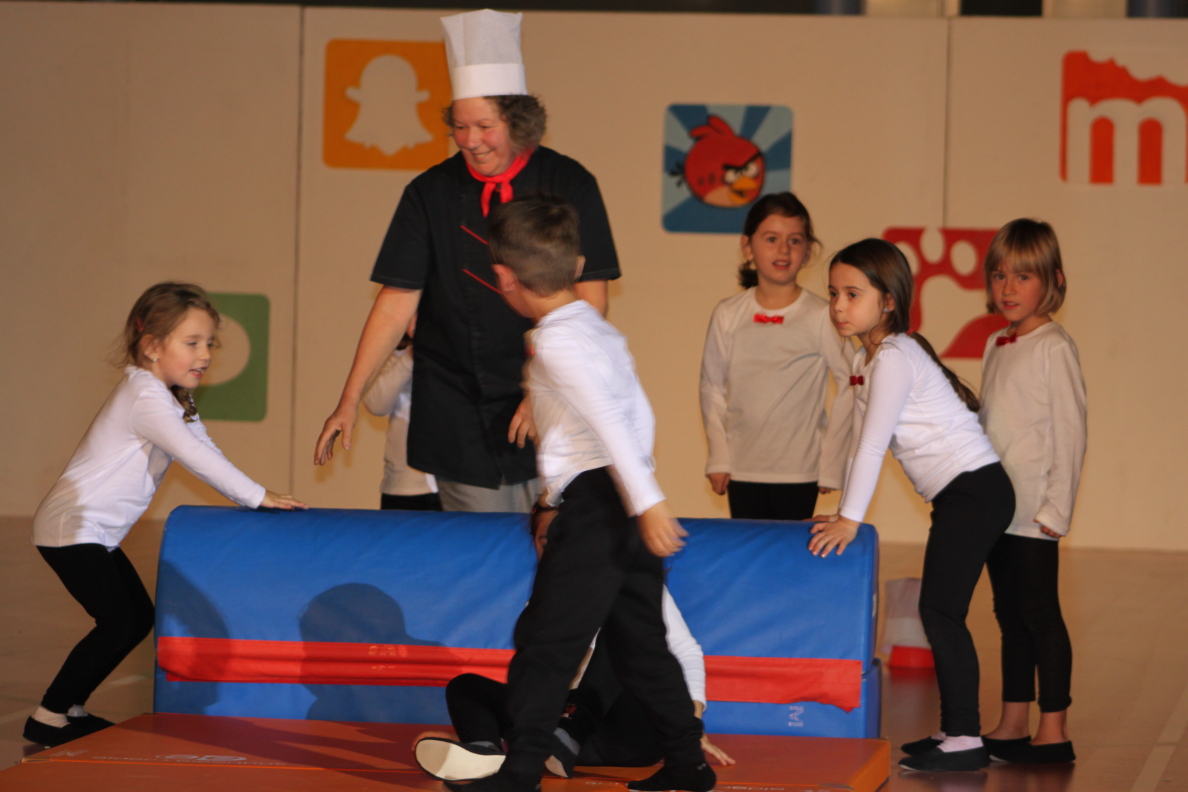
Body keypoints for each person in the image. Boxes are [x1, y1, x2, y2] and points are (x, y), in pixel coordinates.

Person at [437, 197, 713, 792]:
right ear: (579, 265)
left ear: (504, 278)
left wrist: (647, 500)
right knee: (641, 645)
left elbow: (610, 418)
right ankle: (688, 765)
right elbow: (637, 413)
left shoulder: (558, 342)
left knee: (546, 640)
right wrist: (642, 492)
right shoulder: (596, 327)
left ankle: (521, 771)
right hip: (622, 502)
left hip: (598, 503)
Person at [315, 9, 619, 514]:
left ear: (518, 122)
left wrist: (545, 389)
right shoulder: (429, 192)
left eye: (484, 126)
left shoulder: (570, 183)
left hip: (555, 401)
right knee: (488, 551)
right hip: (460, 413)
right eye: (460, 127)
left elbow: (591, 298)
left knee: (560, 545)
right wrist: (348, 401)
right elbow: (395, 302)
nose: (471, 141)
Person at [25, 282, 305, 749]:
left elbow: (203, 445)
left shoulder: (166, 395)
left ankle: (69, 707)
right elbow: (197, 459)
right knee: (120, 622)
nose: (205, 354)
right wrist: (257, 496)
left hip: (91, 532)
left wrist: (254, 493)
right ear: (152, 345)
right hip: (71, 529)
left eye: (210, 343)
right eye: (192, 343)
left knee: (135, 618)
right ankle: (49, 716)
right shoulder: (146, 397)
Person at [808, 240, 1014, 772]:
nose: (839, 306)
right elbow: (857, 441)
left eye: (853, 294)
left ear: (889, 301)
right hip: (963, 494)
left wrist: (850, 520)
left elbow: (872, 446)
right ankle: (954, 728)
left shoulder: (896, 357)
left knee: (940, 611)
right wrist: (842, 507)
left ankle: (965, 738)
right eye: (833, 294)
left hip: (975, 491)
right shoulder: (873, 357)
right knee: (940, 609)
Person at [413, 513, 735, 782]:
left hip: (626, 736)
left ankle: (566, 736)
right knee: (467, 686)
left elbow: (686, 652)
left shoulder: (630, 586)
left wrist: (689, 726)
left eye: (565, 538)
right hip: (564, 736)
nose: (556, 549)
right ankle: (483, 751)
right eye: (545, 541)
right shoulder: (539, 603)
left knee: (621, 627)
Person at [977, 220, 1085, 764]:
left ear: (1053, 280)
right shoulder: (997, 343)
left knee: (1041, 616)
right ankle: (1014, 721)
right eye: (1000, 276)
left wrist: (1056, 508)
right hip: (998, 510)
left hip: (1035, 513)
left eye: (1023, 276)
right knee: (1008, 617)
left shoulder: (1054, 347)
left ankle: (1054, 729)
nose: (1009, 288)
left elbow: (1071, 432)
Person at [699, 192, 852, 520]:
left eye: (795, 240)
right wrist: (719, 457)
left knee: (790, 552)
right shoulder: (728, 314)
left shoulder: (821, 316)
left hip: (800, 472)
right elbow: (711, 387)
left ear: (808, 250)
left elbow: (851, 383)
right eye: (771, 239)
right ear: (747, 246)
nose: (784, 250)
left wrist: (831, 462)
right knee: (749, 551)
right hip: (741, 469)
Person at [362, 328, 442, 511]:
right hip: (404, 486)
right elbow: (376, 404)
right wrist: (412, 356)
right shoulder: (396, 356)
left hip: (455, 484)